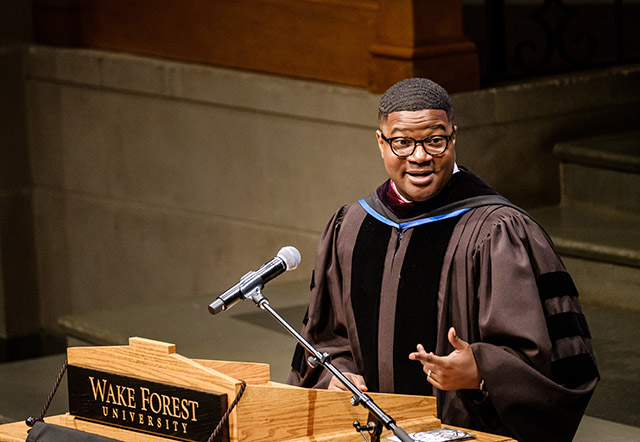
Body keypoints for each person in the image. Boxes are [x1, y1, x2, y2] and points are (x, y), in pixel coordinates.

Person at [287, 78, 599, 442]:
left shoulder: (497, 231)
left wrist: (481, 371)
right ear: (380, 142)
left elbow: (554, 361)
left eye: (434, 140)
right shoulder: (353, 226)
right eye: (402, 142)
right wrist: (334, 376)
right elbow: (325, 338)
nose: (419, 157)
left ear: (453, 138)